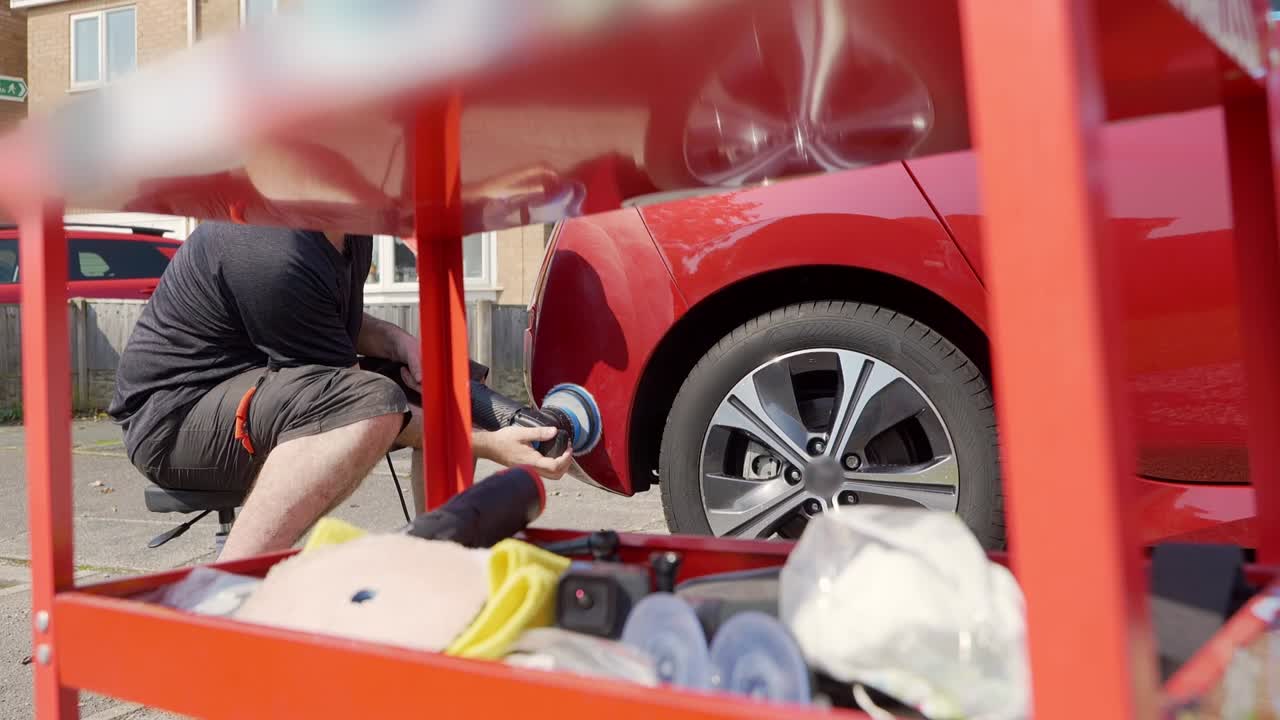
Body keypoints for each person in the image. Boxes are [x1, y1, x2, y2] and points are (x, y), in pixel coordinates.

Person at [108, 222, 572, 561]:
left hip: (259, 380)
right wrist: (491, 445)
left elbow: (332, 326)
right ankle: (229, 589)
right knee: (372, 406)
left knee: (451, 377)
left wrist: (400, 343)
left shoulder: (351, 227)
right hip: (173, 419)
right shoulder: (273, 245)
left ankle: (439, 558)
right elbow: (359, 406)